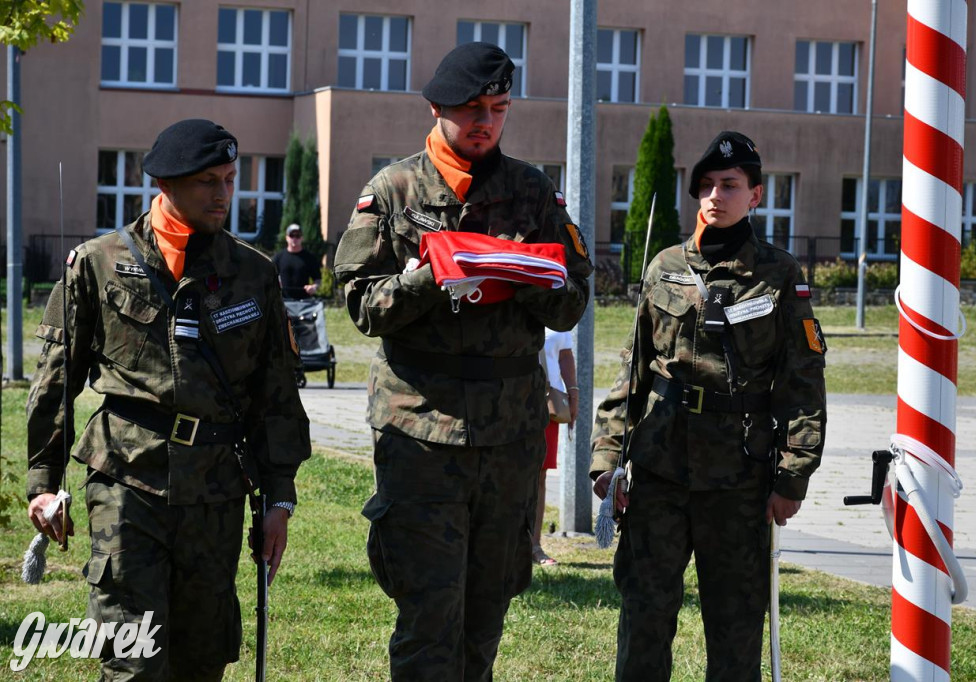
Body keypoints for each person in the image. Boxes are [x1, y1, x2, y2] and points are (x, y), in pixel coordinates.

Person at [333, 42, 593, 681]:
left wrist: (526, 273)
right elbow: (361, 303)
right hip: (421, 430)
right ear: (437, 108)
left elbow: (575, 300)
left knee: (487, 609)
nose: (485, 122)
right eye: (471, 109)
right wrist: (427, 282)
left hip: (508, 434)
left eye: (498, 109)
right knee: (429, 615)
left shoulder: (533, 192)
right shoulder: (393, 190)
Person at [26, 118, 311, 680]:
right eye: (208, 181)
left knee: (202, 655)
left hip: (217, 488)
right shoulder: (98, 264)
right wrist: (43, 481)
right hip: (127, 479)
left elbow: (275, 394)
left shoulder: (252, 274)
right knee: (132, 657)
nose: (223, 194)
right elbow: (57, 380)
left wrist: (280, 498)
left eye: (229, 179)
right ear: (167, 183)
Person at [590, 131, 827, 682]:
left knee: (735, 623)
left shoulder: (779, 275)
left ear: (756, 195)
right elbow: (633, 370)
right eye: (706, 186)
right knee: (645, 613)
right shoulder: (665, 267)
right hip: (659, 471)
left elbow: (802, 385)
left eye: (729, 184)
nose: (715, 196)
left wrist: (793, 475)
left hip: (738, 478)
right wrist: (608, 456)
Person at [534, 327, 578, 566]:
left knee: (539, 475)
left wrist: (573, 393)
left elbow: (564, 353)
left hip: (548, 402)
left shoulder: (555, 299)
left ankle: (534, 546)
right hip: (510, 400)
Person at [272, 223, 322, 299]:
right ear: (286, 238)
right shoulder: (278, 257)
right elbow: (270, 276)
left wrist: (314, 287)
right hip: (283, 301)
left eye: (297, 236)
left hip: (304, 302)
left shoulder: (309, 258)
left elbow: (318, 279)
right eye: (291, 235)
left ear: (302, 238)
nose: (294, 239)